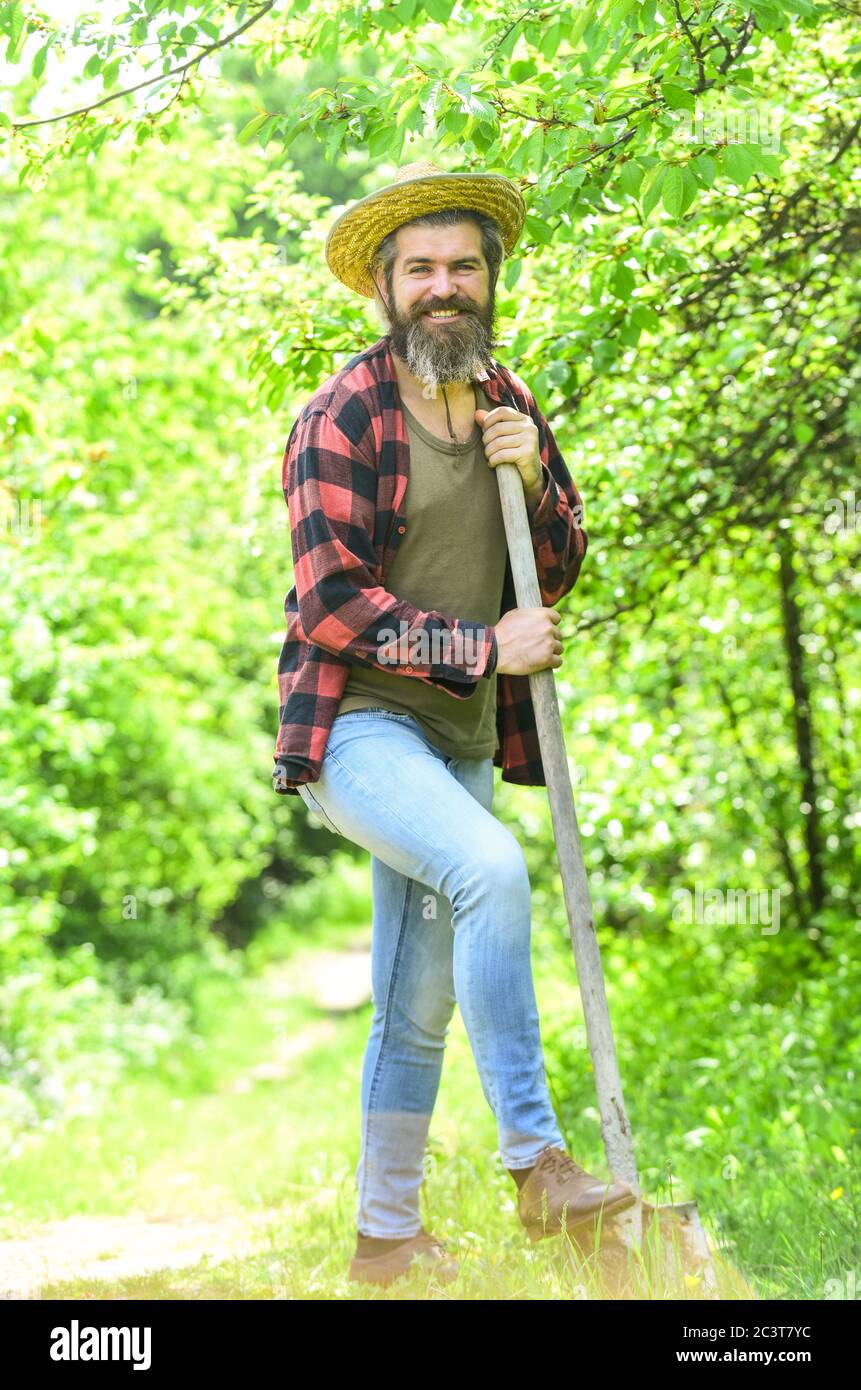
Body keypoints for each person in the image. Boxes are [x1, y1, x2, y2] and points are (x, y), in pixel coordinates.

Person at [272, 161, 635, 1288]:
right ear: (385, 287)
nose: (444, 287)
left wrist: (531, 488)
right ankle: (535, 1163)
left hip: (462, 739)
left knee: (417, 991)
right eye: (420, 268)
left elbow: (560, 565)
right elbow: (331, 603)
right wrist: (483, 649)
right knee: (489, 866)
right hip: (361, 730)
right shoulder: (340, 415)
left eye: (462, 267)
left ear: (490, 280)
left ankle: (385, 1240)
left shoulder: (510, 406)